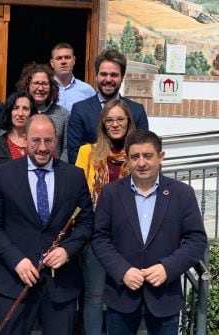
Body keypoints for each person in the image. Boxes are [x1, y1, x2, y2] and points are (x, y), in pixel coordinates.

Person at [0, 114, 93, 335]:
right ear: (24, 138)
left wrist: (67, 250)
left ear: (56, 139)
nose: (42, 147)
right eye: (36, 141)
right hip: (15, 283)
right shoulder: (3, 174)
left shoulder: (74, 176)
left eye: (48, 141)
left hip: (61, 285)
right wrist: (17, 260)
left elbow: (87, 222)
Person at [91, 129, 207, 335]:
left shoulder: (182, 194)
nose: (141, 163)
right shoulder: (110, 193)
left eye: (148, 156)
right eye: (135, 157)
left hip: (165, 298)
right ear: (127, 159)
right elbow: (100, 238)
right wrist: (122, 270)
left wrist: (168, 268)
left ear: (160, 157)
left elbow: (196, 241)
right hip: (122, 296)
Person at [75, 99, 136, 335]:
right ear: (102, 124)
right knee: (94, 296)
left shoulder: (136, 156)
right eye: (109, 120)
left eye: (120, 119)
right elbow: (79, 193)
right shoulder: (87, 152)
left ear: (128, 122)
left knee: (122, 295)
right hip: (96, 236)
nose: (115, 124)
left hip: (128, 236)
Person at [68, 48, 149, 164]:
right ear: (96, 76)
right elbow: (74, 153)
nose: (108, 79)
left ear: (122, 77)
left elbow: (143, 149)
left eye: (114, 75)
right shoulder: (80, 110)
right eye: (104, 74)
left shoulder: (137, 111)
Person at [16, 63, 70, 162]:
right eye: (36, 83)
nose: (40, 88)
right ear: (27, 85)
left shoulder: (63, 114)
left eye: (44, 84)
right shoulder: (17, 112)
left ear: (51, 87)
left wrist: (59, 171)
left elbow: (66, 148)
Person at [0, 91, 38, 165]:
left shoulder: (40, 143)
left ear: (31, 113)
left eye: (25, 108)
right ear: (9, 111)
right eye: (16, 108)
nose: (20, 113)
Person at [50, 42, 95, 112]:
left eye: (67, 57)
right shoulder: (45, 89)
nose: (63, 61)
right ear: (52, 63)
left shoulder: (87, 90)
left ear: (74, 61)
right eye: (59, 58)